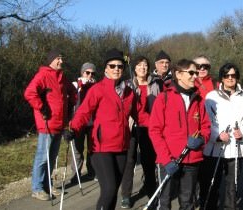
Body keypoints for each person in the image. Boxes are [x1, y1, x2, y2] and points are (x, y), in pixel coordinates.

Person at [67, 48, 137, 210]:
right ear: (106, 68)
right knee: (109, 189)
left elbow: (141, 115)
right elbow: (83, 112)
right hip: (101, 147)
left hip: (122, 146)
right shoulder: (97, 89)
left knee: (113, 192)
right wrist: (73, 128)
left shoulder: (129, 93)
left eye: (120, 66)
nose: (116, 69)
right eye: (112, 66)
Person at [148, 59, 211, 210]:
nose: (194, 76)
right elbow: (155, 131)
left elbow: (206, 127)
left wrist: (201, 139)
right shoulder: (163, 98)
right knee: (165, 203)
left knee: (187, 202)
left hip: (192, 159)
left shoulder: (198, 100)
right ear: (178, 74)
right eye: (191, 72)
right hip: (169, 161)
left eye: (196, 73)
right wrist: (166, 160)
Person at [24, 49, 76, 201]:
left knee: (52, 157)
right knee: (42, 157)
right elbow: (29, 93)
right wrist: (42, 106)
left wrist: (71, 103)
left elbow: (73, 91)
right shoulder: (43, 75)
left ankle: (47, 185)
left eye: (62, 58)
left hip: (60, 123)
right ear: (51, 60)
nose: (61, 61)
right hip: (47, 123)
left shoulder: (62, 76)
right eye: (58, 58)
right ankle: (37, 188)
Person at [200, 63, 243, 210]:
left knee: (231, 188)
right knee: (210, 184)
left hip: (236, 149)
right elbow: (206, 121)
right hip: (214, 148)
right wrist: (217, 136)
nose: (230, 78)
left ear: (237, 77)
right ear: (221, 78)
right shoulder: (211, 97)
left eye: (233, 75)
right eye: (226, 75)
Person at [120, 56, 158, 208]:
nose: (143, 68)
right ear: (134, 68)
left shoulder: (155, 85)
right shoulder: (127, 84)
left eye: (145, 65)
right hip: (132, 127)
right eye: (140, 65)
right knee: (129, 162)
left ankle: (151, 191)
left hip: (149, 127)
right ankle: (126, 195)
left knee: (149, 161)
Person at [70, 62, 97, 183]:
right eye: (87, 72)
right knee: (77, 149)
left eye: (92, 73)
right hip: (79, 122)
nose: (90, 75)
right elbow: (70, 102)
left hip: (93, 122)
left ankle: (92, 172)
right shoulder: (75, 85)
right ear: (82, 72)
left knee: (92, 149)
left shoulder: (96, 86)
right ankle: (76, 174)